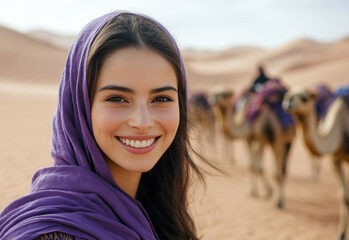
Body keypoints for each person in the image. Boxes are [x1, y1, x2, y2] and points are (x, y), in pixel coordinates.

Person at [0, 11, 209, 240]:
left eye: (161, 99)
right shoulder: (56, 232)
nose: (142, 122)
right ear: (80, 106)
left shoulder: (155, 211)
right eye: (117, 99)